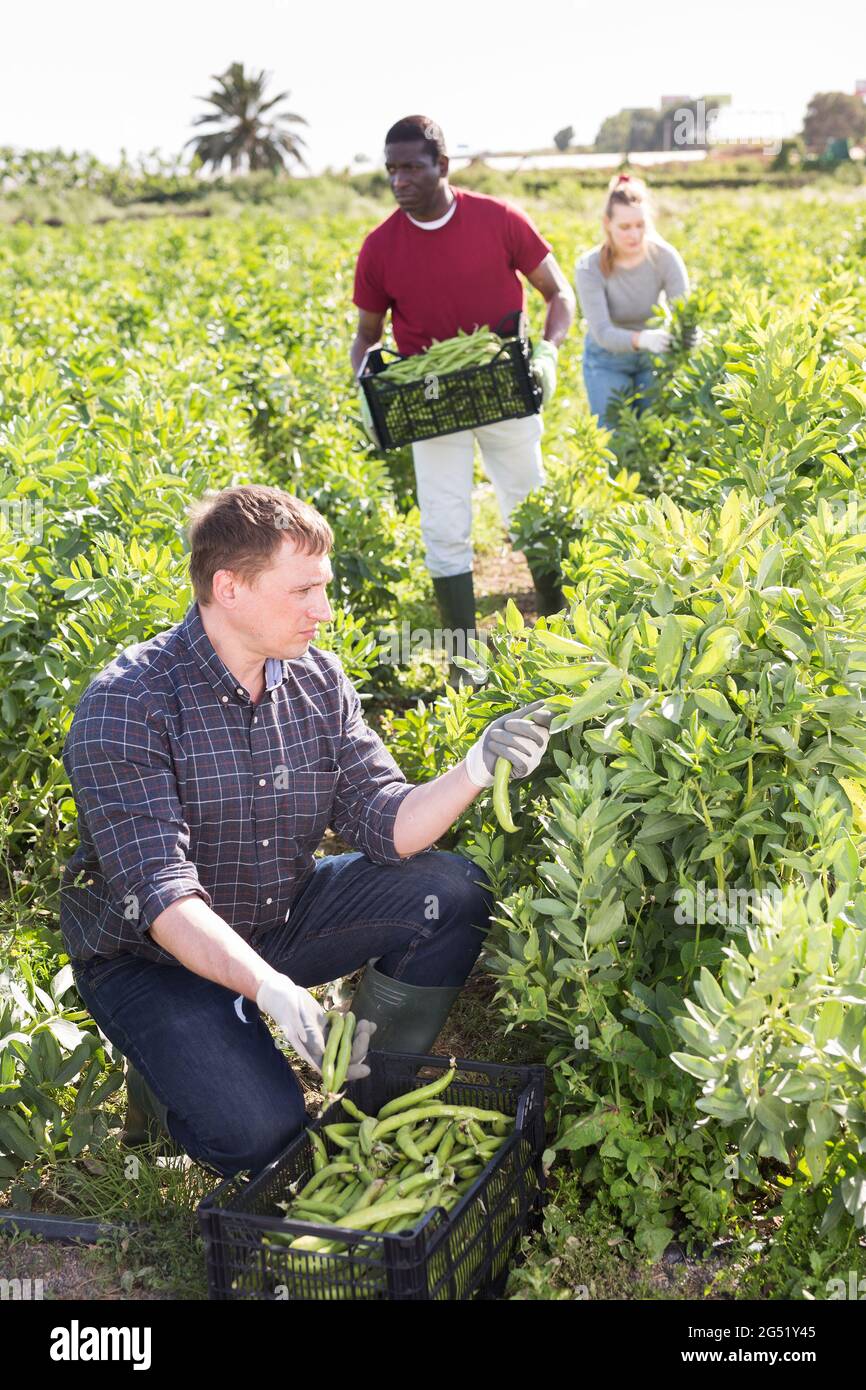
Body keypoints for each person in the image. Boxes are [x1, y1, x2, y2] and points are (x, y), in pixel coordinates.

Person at [60, 484, 552, 1178]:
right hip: (154, 959)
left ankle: (369, 1107)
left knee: (452, 890)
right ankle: (167, 1085)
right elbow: (162, 901)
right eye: (302, 591)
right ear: (228, 588)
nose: (322, 611)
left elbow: (386, 821)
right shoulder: (129, 703)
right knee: (264, 1135)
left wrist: (475, 767)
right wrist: (271, 992)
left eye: (323, 587)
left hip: (273, 912)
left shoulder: (316, 679)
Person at [351, 115, 575, 682]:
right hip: (433, 399)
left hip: (503, 381)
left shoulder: (497, 220)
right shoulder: (380, 247)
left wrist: (547, 353)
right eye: (391, 170)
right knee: (444, 523)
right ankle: (461, 660)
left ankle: (569, 637)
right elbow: (367, 336)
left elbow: (558, 294)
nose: (399, 180)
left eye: (411, 167)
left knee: (529, 506)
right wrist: (366, 389)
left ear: (442, 167)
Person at [575, 173, 693, 427]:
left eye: (640, 225)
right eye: (625, 227)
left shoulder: (664, 257)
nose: (634, 234)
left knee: (654, 435)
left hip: (653, 357)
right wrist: (643, 339)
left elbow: (684, 310)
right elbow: (603, 332)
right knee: (615, 439)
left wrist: (690, 335)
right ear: (607, 223)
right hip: (607, 359)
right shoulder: (590, 267)